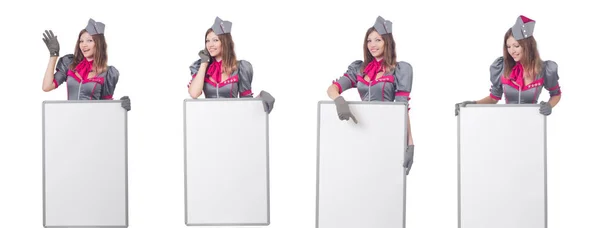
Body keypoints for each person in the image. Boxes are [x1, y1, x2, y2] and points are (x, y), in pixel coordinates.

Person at [326, 16, 415, 175]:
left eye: (378, 40)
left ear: (387, 42)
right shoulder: (359, 69)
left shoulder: (399, 70)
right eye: (369, 41)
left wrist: (410, 143)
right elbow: (333, 88)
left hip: (387, 131)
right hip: (361, 130)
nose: (372, 45)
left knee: (385, 176)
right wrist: (339, 100)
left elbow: (403, 108)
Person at [455, 15, 561, 116]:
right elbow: (493, 98)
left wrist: (549, 105)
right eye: (508, 46)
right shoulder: (501, 68)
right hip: (507, 123)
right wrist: (472, 104)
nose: (511, 51)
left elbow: (556, 94)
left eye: (516, 46)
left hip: (533, 123)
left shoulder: (544, 69)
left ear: (528, 46)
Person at [188, 17, 275, 114]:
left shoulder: (240, 67)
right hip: (209, 120)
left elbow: (246, 102)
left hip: (233, 121)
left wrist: (260, 98)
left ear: (225, 42)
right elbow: (194, 93)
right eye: (207, 41)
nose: (210, 45)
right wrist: (204, 63)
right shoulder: (201, 67)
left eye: (215, 40)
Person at [41, 18, 131, 111]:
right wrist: (53, 55)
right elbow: (47, 86)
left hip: (92, 122)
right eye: (81, 41)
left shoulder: (108, 73)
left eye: (89, 41)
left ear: (99, 44)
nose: (84, 45)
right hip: (70, 120)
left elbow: (106, 107)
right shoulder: (70, 64)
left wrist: (121, 107)